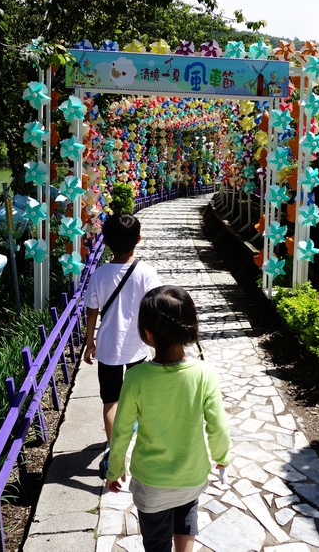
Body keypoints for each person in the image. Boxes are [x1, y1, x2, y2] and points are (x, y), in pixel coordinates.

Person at [105, 285, 231, 552]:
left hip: (151, 482)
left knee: (156, 542)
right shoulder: (205, 373)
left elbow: (122, 431)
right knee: (186, 520)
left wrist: (115, 469)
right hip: (191, 476)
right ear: (190, 327)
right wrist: (222, 457)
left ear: (148, 333)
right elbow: (218, 426)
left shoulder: (136, 378)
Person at [84, 212, 160, 478]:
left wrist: (89, 342)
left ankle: (113, 453)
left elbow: (92, 311)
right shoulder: (147, 273)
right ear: (139, 239)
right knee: (137, 397)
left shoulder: (99, 274)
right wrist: (155, 341)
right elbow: (154, 309)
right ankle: (140, 445)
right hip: (138, 345)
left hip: (107, 347)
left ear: (105, 242)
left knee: (111, 401)